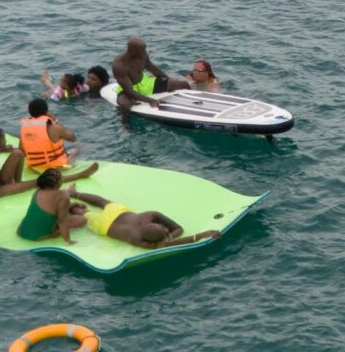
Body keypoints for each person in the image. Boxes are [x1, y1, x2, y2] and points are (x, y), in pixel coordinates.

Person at [72, 193, 221, 250]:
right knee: (85, 213)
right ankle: (73, 204)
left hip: (119, 212)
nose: (167, 228)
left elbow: (178, 229)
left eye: (164, 228)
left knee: (103, 202)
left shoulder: (151, 215)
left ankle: (75, 194)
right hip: (105, 224)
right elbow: (179, 235)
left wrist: (170, 235)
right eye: (165, 230)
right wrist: (202, 234)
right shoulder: (138, 240)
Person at [15, 164, 100, 243]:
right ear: (58, 183)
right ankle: (51, 234)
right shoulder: (63, 196)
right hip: (38, 238)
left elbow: (50, 206)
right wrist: (68, 241)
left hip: (21, 231)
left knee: (50, 215)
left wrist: (73, 205)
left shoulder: (37, 191)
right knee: (82, 220)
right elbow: (63, 222)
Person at [110, 38, 181, 114]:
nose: (144, 52)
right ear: (132, 51)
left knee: (177, 83)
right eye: (142, 50)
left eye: (144, 49)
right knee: (125, 104)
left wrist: (168, 81)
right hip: (127, 88)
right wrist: (151, 100)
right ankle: (127, 125)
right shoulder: (119, 65)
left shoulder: (143, 56)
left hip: (144, 83)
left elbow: (154, 70)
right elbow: (129, 91)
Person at [18, 98, 83, 179]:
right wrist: (55, 120)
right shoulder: (54, 127)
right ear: (46, 111)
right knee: (79, 148)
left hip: (34, 166)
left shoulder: (25, 127)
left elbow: (21, 150)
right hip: (56, 168)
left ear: (30, 112)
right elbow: (72, 138)